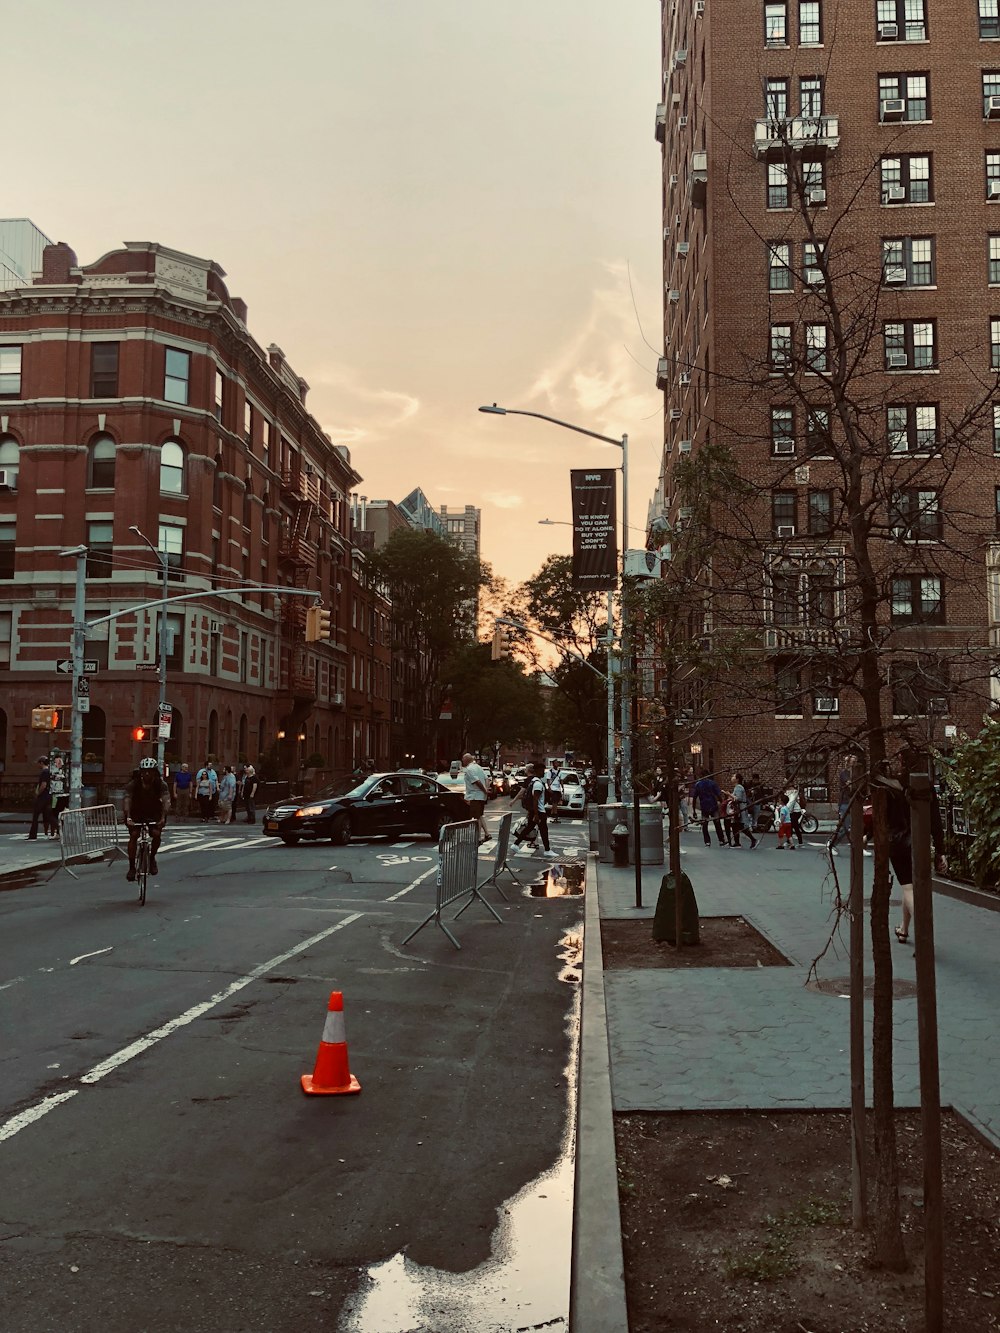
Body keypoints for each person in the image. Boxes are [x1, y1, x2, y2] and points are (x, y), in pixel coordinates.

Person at [886, 749, 947, 943]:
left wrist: (868, 834)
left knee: (908, 889)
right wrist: (940, 850)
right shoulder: (926, 785)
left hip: (897, 842)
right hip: (919, 842)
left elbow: (882, 817)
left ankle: (924, 932)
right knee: (911, 888)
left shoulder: (892, 785)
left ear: (902, 761)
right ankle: (904, 929)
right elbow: (936, 820)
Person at [123, 757, 170, 881]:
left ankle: (152, 857)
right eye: (144, 771)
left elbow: (166, 800)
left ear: (155, 772)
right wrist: (128, 817)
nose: (147, 774)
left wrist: (163, 817)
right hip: (136, 812)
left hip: (154, 811)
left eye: (150, 771)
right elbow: (127, 799)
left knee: (156, 834)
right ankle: (132, 867)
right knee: (134, 835)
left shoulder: (161, 784)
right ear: (140, 772)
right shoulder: (134, 784)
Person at [524, 761, 558, 858]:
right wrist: (536, 814)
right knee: (543, 830)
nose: (544, 773)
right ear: (538, 771)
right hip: (539, 811)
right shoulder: (538, 783)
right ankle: (547, 850)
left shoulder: (534, 781)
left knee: (530, 828)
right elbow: (535, 800)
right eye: (542, 771)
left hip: (537, 810)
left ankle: (516, 844)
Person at [461, 752, 491, 844]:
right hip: (481, 796)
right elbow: (487, 779)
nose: (462, 760)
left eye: (463, 759)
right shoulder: (478, 767)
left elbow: (476, 781)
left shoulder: (469, 769)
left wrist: (484, 790)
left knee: (476, 817)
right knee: (480, 815)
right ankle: (487, 834)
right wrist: (486, 790)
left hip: (475, 796)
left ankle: (478, 838)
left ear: (466, 760)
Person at [829, 754, 856, 852]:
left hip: (855, 802)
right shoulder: (844, 773)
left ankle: (859, 847)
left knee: (858, 826)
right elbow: (850, 784)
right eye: (853, 762)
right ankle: (832, 844)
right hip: (845, 802)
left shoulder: (856, 774)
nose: (855, 764)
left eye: (856, 762)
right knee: (845, 827)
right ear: (848, 763)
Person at [692, 772, 726, 846]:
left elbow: (694, 797)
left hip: (704, 806)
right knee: (717, 823)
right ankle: (721, 840)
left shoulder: (698, 784)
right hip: (713, 805)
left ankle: (707, 841)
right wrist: (723, 804)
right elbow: (718, 794)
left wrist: (694, 810)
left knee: (705, 824)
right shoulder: (712, 783)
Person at [729, 773, 758, 849]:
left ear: (737, 779)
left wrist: (729, 794)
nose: (732, 778)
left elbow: (738, 798)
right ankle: (737, 842)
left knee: (740, 825)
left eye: (733, 776)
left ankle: (752, 840)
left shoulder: (738, 787)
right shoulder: (737, 787)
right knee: (736, 826)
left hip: (740, 809)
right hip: (739, 808)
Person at [27, 757, 53, 840]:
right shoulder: (49, 771)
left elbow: (43, 785)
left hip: (43, 797)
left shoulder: (44, 772)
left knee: (35, 815)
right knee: (49, 816)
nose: (38, 765)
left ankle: (32, 835)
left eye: (38, 763)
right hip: (48, 796)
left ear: (41, 763)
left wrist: (38, 793)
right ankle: (58, 830)